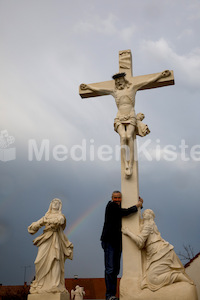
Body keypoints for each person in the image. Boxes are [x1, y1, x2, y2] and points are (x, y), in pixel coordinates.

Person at [80, 70, 170, 177]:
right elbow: (100, 89)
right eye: (117, 82)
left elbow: (147, 82)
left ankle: (130, 164)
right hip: (119, 117)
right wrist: (89, 87)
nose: (118, 83)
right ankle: (126, 164)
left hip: (131, 116)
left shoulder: (132, 88)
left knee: (129, 137)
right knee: (123, 137)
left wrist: (160, 75)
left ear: (124, 80)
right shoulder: (115, 92)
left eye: (120, 81)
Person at [122, 209, 194, 292]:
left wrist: (128, 232)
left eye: (147, 213)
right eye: (144, 212)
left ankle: (177, 276)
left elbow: (140, 241)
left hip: (159, 252)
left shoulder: (148, 225)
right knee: (151, 278)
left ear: (151, 216)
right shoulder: (150, 224)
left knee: (153, 279)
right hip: (157, 252)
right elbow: (142, 244)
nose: (144, 214)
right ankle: (176, 276)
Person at [100, 191, 143, 300]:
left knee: (115, 270)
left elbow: (125, 213)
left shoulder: (117, 207)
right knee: (110, 269)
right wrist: (137, 206)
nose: (117, 200)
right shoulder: (111, 206)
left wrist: (138, 206)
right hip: (109, 241)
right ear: (112, 198)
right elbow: (124, 212)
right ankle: (109, 295)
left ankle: (113, 295)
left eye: (119, 198)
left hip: (117, 242)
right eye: (115, 198)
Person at [28, 198, 73, 294]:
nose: (55, 203)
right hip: (46, 238)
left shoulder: (61, 216)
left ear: (60, 206)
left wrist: (47, 221)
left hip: (55, 239)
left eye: (58, 203)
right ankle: (40, 284)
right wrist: (41, 222)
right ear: (50, 204)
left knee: (55, 260)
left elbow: (60, 221)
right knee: (38, 261)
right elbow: (31, 229)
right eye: (53, 202)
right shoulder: (45, 216)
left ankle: (55, 285)